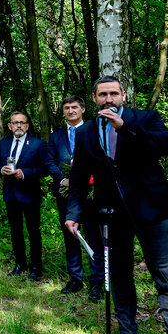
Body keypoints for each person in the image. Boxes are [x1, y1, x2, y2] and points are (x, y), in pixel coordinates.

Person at [65, 76, 168, 334]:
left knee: (167, 279)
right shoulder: (87, 132)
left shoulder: (144, 118)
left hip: (152, 210)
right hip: (111, 215)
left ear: (123, 95)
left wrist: (124, 127)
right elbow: (79, 176)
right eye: (102, 94)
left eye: (113, 93)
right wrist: (74, 213)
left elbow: (166, 145)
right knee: (119, 276)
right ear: (94, 98)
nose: (108, 99)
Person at [47, 97, 104, 300]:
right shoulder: (56, 137)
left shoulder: (95, 131)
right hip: (67, 194)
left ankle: (97, 281)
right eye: (66, 108)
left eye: (74, 107)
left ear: (83, 109)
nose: (70, 111)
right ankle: (75, 278)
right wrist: (63, 180)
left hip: (93, 194)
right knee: (71, 235)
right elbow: (50, 161)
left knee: (94, 236)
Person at [0, 111, 51, 281]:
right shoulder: (4, 144)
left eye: (22, 122)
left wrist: (24, 173)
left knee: (33, 232)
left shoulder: (38, 144)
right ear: (9, 126)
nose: (18, 125)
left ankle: (36, 268)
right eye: (15, 123)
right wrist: (1, 169)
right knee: (15, 231)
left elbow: (44, 168)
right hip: (11, 194)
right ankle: (20, 264)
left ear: (27, 125)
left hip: (30, 194)